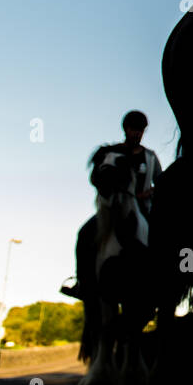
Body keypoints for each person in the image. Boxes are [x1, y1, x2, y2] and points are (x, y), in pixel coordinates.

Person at [61, 111, 162, 301]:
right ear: (126, 129)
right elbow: (95, 178)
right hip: (112, 210)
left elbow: (161, 182)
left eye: (140, 130)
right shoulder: (110, 153)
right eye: (133, 129)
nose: (136, 134)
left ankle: (161, 286)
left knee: (164, 240)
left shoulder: (150, 157)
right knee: (84, 234)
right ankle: (81, 283)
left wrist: (149, 193)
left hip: (143, 210)